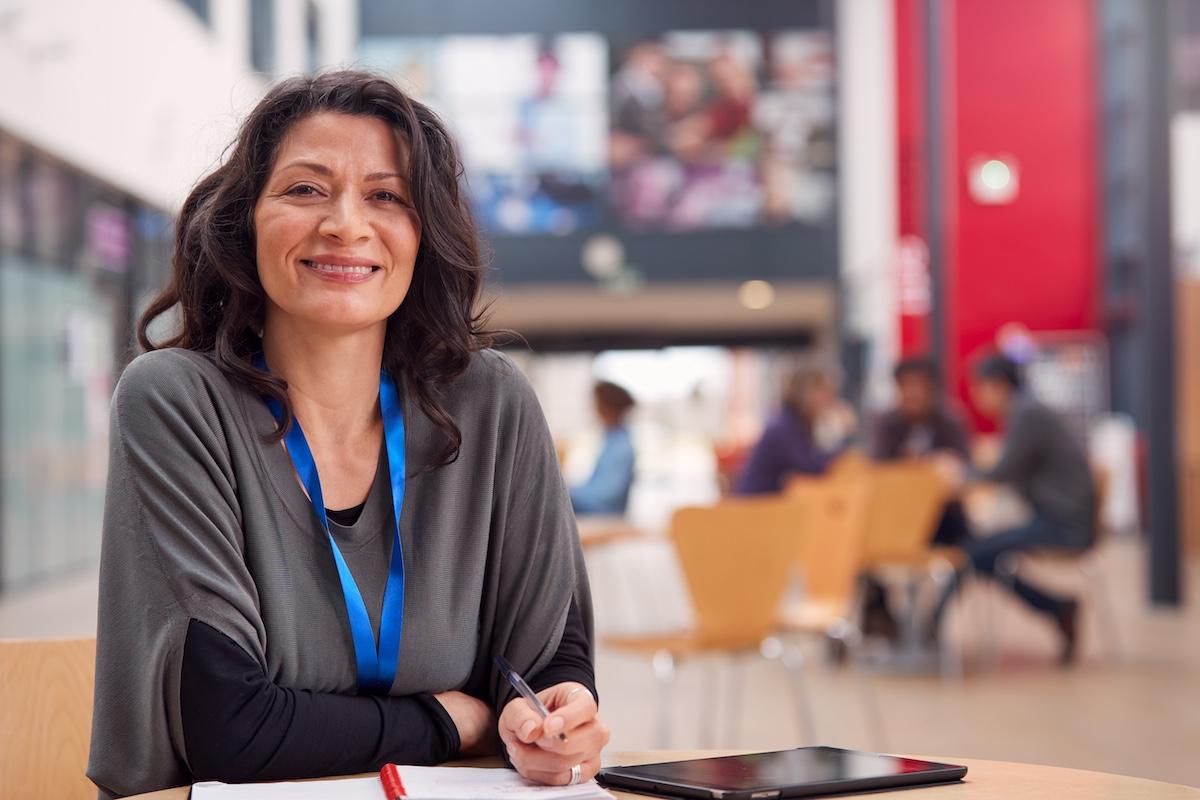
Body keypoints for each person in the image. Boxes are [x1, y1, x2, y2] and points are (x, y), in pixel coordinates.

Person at [87, 71, 608, 799]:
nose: (345, 224)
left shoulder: (493, 404)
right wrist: (451, 721)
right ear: (245, 221)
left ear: (424, 235)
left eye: (386, 197)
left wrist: (555, 715)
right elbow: (231, 731)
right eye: (305, 189)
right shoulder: (177, 402)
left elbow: (546, 659)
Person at [930, 353, 1095, 665]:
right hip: (1052, 516)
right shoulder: (1025, 412)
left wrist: (959, 474)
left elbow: (1003, 472)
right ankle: (1057, 608)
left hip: (1063, 523)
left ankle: (930, 627)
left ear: (1000, 386)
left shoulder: (1027, 413)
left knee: (971, 553)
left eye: (981, 387)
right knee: (978, 553)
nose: (978, 396)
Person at [871, 356, 972, 547]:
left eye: (920, 385)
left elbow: (964, 467)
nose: (913, 392)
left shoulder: (950, 421)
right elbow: (878, 469)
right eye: (906, 385)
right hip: (898, 513)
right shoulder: (886, 422)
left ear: (933, 388)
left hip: (943, 513)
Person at [735, 361, 855, 495]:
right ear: (808, 394)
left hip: (768, 504)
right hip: (754, 508)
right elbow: (812, 467)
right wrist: (846, 434)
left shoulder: (793, 423)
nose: (830, 400)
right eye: (826, 393)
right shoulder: (782, 428)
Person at [569, 381, 636, 516]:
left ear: (608, 407)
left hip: (604, 515)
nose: (594, 409)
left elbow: (606, 495)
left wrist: (566, 493)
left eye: (597, 403)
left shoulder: (621, 447)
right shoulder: (610, 440)